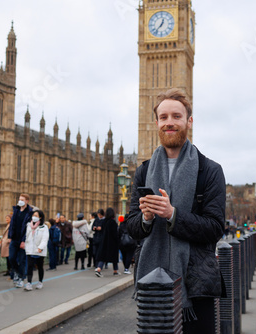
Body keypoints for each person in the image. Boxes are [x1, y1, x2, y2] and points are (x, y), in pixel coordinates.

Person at [127, 88, 226, 334]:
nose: (169, 122)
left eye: (176, 116)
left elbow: (215, 228)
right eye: (163, 117)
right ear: (157, 123)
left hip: (195, 286)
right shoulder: (143, 171)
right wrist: (146, 219)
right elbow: (131, 227)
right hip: (152, 287)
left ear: (188, 121)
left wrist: (173, 215)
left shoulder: (210, 171)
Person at [8, 194, 33, 288]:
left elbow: (28, 229)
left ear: (27, 201)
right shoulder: (16, 210)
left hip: (23, 240)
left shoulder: (30, 213)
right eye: (19, 199)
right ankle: (17, 273)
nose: (20, 201)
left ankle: (21, 279)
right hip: (14, 239)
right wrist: (10, 236)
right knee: (11, 258)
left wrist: (24, 241)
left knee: (22, 260)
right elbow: (12, 225)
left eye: (22, 199)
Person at [24, 210, 49, 291]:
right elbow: (26, 236)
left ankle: (40, 282)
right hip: (30, 248)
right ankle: (29, 283)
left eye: (36, 215)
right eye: (33, 215)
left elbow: (45, 239)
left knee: (39, 266)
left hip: (39, 250)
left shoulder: (44, 227)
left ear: (40, 217)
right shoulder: (28, 225)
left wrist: (40, 247)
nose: (34, 216)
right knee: (30, 266)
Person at [94, 208, 120, 277]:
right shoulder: (113, 222)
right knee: (114, 257)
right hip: (112, 243)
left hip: (104, 242)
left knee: (103, 257)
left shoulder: (104, 222)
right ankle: (115, 271)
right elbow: (115, 234)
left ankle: (98, 269)